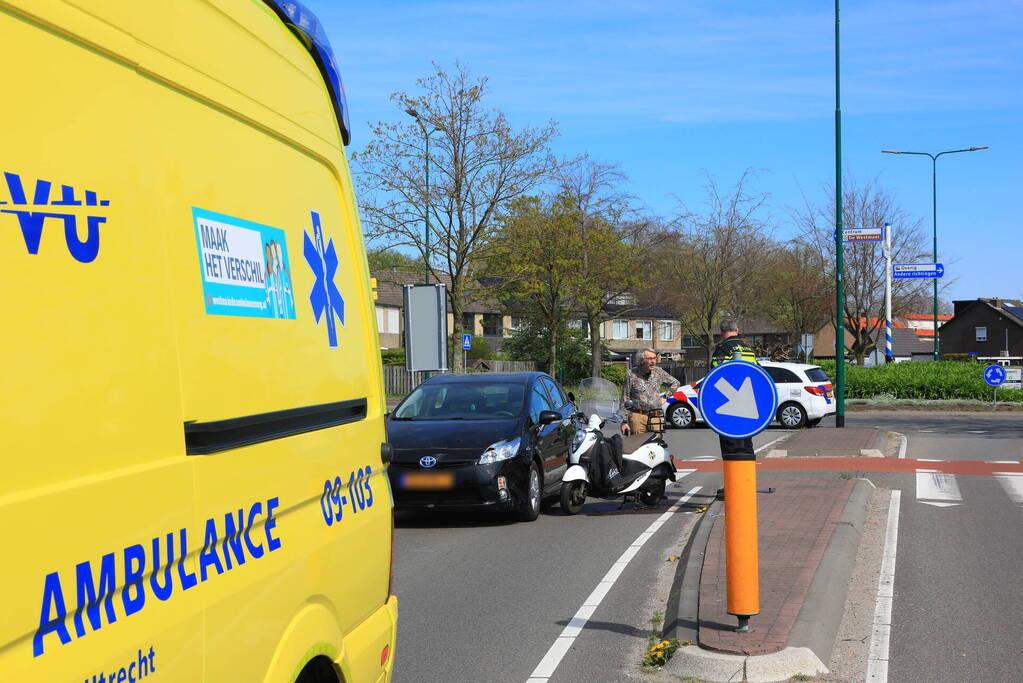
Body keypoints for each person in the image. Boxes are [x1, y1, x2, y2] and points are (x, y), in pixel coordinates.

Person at [711, 318, 758, 459]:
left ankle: (734, 479)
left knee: (730, 446)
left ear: (721, 332)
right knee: (746, 442)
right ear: (737, 331)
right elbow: (757, 373)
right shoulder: (748, 349)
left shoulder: (722, 350)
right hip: (747, 403)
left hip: (728, 405)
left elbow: (715, 377)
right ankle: (746, 478)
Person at [620, 348, 680, 435]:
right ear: (641, 360)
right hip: (638, 416)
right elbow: (625, 398)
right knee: (638, 445)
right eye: (649, 359)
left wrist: (665, 397)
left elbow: (676, 383)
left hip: (655, 415)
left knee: (656, 445)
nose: (653, 361)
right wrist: (624, 421)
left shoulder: (659, 372)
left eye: (654, 358)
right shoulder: (631, 374)